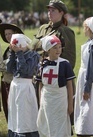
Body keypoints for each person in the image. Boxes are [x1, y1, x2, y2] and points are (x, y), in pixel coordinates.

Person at [31, 0, 76, 129]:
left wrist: (55, 75)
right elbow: (33, 48)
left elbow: (70, 59)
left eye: (53, 10)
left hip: (55, 79)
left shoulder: (65, 31)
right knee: (42, 107)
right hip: (39, 75)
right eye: (48, 10)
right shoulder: (43, 28)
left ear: (62, 13)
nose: (49, 13)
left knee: (58, 112)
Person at [36, 35, 75, 137]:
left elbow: (69, 85)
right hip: (47, 98)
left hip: (60, 97)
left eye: (59, 47)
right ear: (48, 50)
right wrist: (40, 101)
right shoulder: (43, 64)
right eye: (55, 48)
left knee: (61, 122)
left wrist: (70, 104)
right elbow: (40, 85)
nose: (58, 50)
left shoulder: (65, 64)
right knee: (49, 121)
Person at [6, 33, 41, 137]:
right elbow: (9, 69)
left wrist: (20, 54)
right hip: (15, 86)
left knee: (25, 114)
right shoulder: (15, 54)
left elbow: (25, 69)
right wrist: (12, 54)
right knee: (16, 113)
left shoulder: (33, 55)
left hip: (25, 86)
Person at [0, 23, 24, 122]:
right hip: (5, 81)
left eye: (10, 34)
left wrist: (3, 65)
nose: (8, 36)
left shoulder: (19, 48)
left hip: (13, 82)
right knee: (7, 107)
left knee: (14, 107)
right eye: (6, 34)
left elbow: (14, 66)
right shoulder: (8, 48)